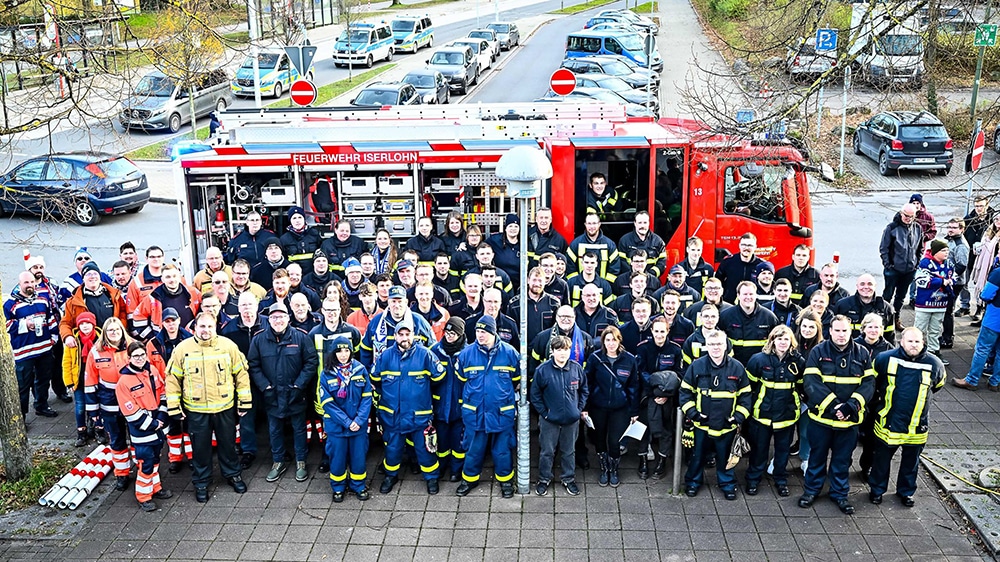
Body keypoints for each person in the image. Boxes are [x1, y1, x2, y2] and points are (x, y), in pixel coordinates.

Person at [166, 312, 251, 503]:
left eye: (210, 326)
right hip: (196, 410)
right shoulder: (182, 349)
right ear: (195, 328)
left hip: (224, 407)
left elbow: (241, 374)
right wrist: (174, 406)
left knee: (228, 444)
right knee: (200, 449)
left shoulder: (228, 346)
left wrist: (244, 402)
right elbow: (172, 380)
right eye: (202, 327)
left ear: (216, 327)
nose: (206, 330)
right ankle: (201, 482)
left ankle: (232, 475)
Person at [799, 315, 875, 515]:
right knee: (817, 457)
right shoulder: (818, 351)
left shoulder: (862, 353)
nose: (841, 335)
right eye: (837, 331)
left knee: (842, 460)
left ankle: (839, 494)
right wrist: (834, 406)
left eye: (845, 331)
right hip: (822, 420)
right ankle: (811, 491)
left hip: (849, 421)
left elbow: (869, 384)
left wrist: (851, 407)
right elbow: (811, 383)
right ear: (830, 331)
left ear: (851, 331)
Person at [868, 327, 945, 507]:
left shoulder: (935, 364)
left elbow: (937, 385)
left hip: (917, 424)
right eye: (910, 341)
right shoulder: (884, 359)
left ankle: (906, 492)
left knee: (911, 463)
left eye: (917, 341)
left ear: (923, 343)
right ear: (901, 342)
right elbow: (874, 383)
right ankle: (877, 491)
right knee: (881, 460)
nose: (913, 345)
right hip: (889, 421)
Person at [371, 318, 444, 495]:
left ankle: (431, 477)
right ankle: (391, 475)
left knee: (425, 449)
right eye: (401, 334)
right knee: (393, 448)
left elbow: (439, 377)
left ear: (414, 335)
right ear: (395, 336)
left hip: (419, 415)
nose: (405, 338)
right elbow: (375, 380)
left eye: (408, 334)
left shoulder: (425, 355)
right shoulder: (385, 356)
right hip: (393, 415)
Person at [248, 302, 318, 483]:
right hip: (272, 394)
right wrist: (265, 387)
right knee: (275, 430)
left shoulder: (300, 337)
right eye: (274, 317)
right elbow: (253, 365)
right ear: (268, 320)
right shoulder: (259, 340)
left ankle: (301, 461)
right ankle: (278, 461)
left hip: (295, 393)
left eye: (281, 316)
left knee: (299, 429)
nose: (278, 320)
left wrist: (298, 385)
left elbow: (311, 362)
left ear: (288, 318)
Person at [679, 329, 751, 500]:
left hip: (727, 426)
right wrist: (693, 414)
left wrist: (738, 417)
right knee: (697, 457)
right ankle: (693, 483)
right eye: (711, 344)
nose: (715, 348)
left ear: (726, 345)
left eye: (719, 344)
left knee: (725, 458)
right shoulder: (696, 366)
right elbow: (685, 393)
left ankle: (727, 484)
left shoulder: (737, 367)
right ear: (706, 346)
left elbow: (746, 395)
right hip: (701, 424)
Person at [454, 315, 521, 498]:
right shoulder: (466, 354)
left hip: (501, 413)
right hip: (475, 413)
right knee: (474, 450)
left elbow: (516, 380)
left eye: (484, 332)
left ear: (493, 332)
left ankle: (506, 481)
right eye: (477, 331)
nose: (480, 335)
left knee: (502, 450)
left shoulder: (510, 353)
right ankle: (469, 480)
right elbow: (461, 380)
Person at [744, 325, 804, 497]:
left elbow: (802, 387)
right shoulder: (758, 360)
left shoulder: (798, 362)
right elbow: (750, 388)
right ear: (772, 340)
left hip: (787, 415)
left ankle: (780, 480)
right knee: (759, 449)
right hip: (762, 415)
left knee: (782, 450)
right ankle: (753, 479)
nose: (782, 342)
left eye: (786, 339)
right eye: (779, 339)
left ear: (791, 341)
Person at [116, 341, 172, 511]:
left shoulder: (152, 371)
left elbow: (162, 393)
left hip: (158, 427)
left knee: (155, 459)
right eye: (136, 356)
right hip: (142, 430)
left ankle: (155, 488)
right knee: (146, 462)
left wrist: (162, 415)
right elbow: (130, 412)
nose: (140, 358)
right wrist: (154, 424)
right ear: (129, 358)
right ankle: (143, 496)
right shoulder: (124, 382)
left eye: (142, 355)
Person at [532, 334, 588, 496]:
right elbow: (535, 395)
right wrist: (544, 413)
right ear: (553, 351)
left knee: (569, 451)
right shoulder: (542, 370)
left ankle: (568, 479)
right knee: (547, 452)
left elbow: (584, 390)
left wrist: (578, 409)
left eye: (566, 350)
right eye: (559, 350)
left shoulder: (577, 369)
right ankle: (544, 479)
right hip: (550, 421)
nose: (562, 353)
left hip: (572, 421)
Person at [318, 336, 372, 502]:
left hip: (358, 427)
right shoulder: (326, 374)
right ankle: (338, 487)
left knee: (358, 457)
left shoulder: (360, 370)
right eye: (339, 351)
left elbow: (367, 397)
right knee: (337, 458)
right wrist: (347, 422)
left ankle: (358, 485)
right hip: (337, 427)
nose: (343, 355)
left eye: (346, 350)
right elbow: (327, 403)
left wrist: (359, 420)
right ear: (333, 353)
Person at [584, 326, 639, 488]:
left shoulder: (629, 360)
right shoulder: (595, 358)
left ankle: (614, 469)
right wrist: (585, 407)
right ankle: (604, 468)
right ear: (603, 342)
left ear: (619, 340)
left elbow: (634, 387)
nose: (611, 343)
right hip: (598, 407)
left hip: (620, 408)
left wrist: (634, 411)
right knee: (599, 440)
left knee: (615, 441)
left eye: (614, 339)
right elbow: (587, 383)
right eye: (607, 340)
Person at [85, 317, 134, 490]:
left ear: (122, 330)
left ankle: (143, 470)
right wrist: (93, 411)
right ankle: (122, 475)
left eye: (117, 329)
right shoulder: (95, 352)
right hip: (109, 404)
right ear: (105, 332)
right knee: (117, 440)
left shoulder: (133, 347)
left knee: (138, 440)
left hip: (133, 402)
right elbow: (90, 382)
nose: (114, 333)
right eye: (111, 330)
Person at [5, 271, 60, 419]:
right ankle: (21, 416)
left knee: (43, 381)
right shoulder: (10, 304)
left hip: (44, 349)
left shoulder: (42, 300)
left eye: (32, 282)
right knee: (22, 386)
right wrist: (24, 324)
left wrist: (54, 338)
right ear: (19, 284)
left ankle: (41, 406)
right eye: (26, 283)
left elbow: (50, 320)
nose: (30, 285)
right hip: (24, 352)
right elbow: (6, 325)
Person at [147, 308, 194, 473]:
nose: (171, 324)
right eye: (167, 321)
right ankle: (175, 458)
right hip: (167, 391)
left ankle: (191, 456)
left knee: (189, 424)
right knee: (173, 425)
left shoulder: (190, 339)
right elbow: (149, 369)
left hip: (188, 388)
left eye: (173, 320)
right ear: (162, 323)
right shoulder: (153, 343)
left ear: (179, 320)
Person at [635, 316, 683, 479]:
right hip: (647, 396)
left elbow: (679, 374)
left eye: (663, 331)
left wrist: (665, 394)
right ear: (652, 331)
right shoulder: (643, 348)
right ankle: (642, 460)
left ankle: (662, 460)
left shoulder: (676, 350)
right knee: (643, 428)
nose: (659, 334)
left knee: (666, 429)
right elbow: (640, 372)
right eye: (656, 331)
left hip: (668, 397)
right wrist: (654, 392)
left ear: (668, 331)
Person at [430, 318, 468, 482]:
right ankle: (442, 465)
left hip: (460, 407)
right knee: (442, 441)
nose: (449, 336)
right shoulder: (434, 351)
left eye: (453, 333)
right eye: (447, 332)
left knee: (458, 442)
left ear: (460, 335)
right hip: (440, 407)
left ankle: (456, 469)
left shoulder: (468, 352)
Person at [879, 202, 923, 324]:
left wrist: (916, 263)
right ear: (901, 213)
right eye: (906, 216)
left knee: (901, 297)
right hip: (893, 269)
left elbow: (920, 248)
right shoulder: (892, 228)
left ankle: (896, 318)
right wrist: (888, 265)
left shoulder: (918, 228)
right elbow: (884, 248)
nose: (908, 219)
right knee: (887, 295)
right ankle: (884, 318)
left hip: (909, 270)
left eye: (911, 216)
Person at [133, 263, 201, 340]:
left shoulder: (193, 293)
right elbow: (138, 316)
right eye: (168, 277)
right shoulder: (154, 297)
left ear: (179, 277)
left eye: (174, 276)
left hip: (190, 339)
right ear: (162, 279)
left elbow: (203, 312)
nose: (172, 280)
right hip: (166, 343)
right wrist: (153, 338)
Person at [718, 281, 779, 366]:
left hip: (761, 367)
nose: (748, 297)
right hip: (733, 366)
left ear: (755, 295)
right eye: (745, 294)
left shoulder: (769, 317)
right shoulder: (725, 316)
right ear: (738, 296)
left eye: (751, 294)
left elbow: (775, 345)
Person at [63, 312, 100, 446]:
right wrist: (69, 381)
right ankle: (81, 432)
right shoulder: (73, 341)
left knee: (97, 406)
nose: (84, 326)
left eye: (87, 323)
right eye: (82, 324)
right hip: (79, 381)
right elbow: (66, 362)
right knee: (80, 407)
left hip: (96, 380)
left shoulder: (100, 338)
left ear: (93, 324)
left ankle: (98, 429)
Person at [913, 239, 953, 363]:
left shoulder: (949, 264)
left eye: (947, 250)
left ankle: (933, 352)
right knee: (920, 329)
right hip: (924, 304)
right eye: (943, 250)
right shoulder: (925, 263)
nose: (946, 253)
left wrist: (950, 282)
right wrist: (941, 281)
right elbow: (920, 280)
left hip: (941, 304)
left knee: (935, 329)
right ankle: (916, 352)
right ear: (935, 252)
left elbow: (953, 278)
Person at [833, 273, 895, 343]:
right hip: (850, 350)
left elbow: (890, 336)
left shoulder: (886, 308)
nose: (866, 287)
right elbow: (834, 331)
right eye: (862, 284)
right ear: (857, 286)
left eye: (870, 284)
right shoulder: (843, 305)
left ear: (875, 286)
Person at [507, 267, 559, 346]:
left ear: (545, 281)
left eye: (540, 280)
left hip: (544, 350)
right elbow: (509, 331)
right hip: (520, 350)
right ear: (528, 280)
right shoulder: (515, 304)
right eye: (534, 280)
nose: (537, 284)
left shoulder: (554, 303)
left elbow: (556, 331)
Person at [961, 196, 994, 316]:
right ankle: (965, 305)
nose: (978, 209)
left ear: (986, 205)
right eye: (976, 206)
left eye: (981, 206)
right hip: (969, 256)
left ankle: (980, 307)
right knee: (963, 281)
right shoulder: (969, 219)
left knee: (981, 284)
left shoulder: (992, 220)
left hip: (984, 258)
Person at [566, 213, 621, 282]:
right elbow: (570, 266)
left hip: (602, 288)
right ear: (585, 224)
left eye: (594, 223)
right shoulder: (576, 244)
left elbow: (614, 268)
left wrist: (605, 285)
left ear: (599, 224)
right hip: (580, 287)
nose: (591, 226)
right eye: (589, 223)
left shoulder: (609, 245)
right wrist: (576, 282)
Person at [942, 218, 970, 348]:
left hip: (955, 282)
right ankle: (944, 335)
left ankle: (948, 338)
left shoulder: (961, 245)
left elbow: (961, 265)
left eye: (954, 227)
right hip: (948, 280)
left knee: (948, 310)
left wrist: (949, 279)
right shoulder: (950, 239)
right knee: (944, 309)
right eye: (949, 227)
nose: (950, 230)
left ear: (961, 229)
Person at [716, 233, 764, 303]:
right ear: (739, 245)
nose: (746, 248)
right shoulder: (728, 262)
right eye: (743, 245)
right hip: (729, 304)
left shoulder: (761, 264)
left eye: (750, 245)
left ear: (755, 247)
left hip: (752, 304)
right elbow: (718, 281)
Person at [618, 211, 667, 278]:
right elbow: (622, 262)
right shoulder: (624, 241)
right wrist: (634, 275)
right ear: (635, 223)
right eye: (640, 223)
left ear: (649, 223)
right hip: (630, 279)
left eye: (645, 223)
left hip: (651, 280)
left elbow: (662, 263)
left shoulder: (658, 241)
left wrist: (650, 275)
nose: (642, 226)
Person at [487, 213, 528, 285]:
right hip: (501, 282)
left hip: (520, 283)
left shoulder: (525, 243)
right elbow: (480, 246)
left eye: (516, 226)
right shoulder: (495, 240)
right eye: (510, 226)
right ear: (505, 228)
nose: (513, 229)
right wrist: (464, 245)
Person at [280, 206, 323, 270]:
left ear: (304, 219)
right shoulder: (284, 239)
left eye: (300, 217)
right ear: (290, 221)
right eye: (294, 218)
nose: (297, 221)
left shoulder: (314, 234)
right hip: (294, 274)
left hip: (312, 274)